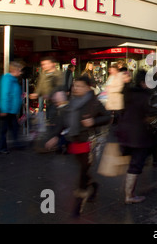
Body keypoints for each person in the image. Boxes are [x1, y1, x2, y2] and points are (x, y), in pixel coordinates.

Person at [45, 75, 111, 216]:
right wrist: (55, 136)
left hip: (89, 141)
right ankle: (93, 185)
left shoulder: (94, 103)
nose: (76, 88)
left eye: (80, 86)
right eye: (75, 85)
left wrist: (93, 121)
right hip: (74, 140)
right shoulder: (71, 102)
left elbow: (107, 117)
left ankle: (78, 203)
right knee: (84, 170)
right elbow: (63, 120)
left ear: (88, 87)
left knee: (83, 171)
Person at [116, 70, 157, 204]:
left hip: (125, 133)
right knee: (136, 164)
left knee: (134, 162)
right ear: (143, 83)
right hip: (138, 135)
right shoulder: (144, 96)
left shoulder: (128, 93)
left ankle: (128, 189)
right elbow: (149, 114)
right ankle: (129, 195)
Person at [0, 62, 23, 154]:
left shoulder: (12, 79)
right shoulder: (7, 79)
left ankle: (16, 143)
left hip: (11, 109)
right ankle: (0, 147)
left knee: (14, 127)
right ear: (14, 70)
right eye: (19, 70)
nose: (20, 72)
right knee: (3, 130)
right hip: (7, 109)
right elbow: (5, 95)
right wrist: (4, 109)